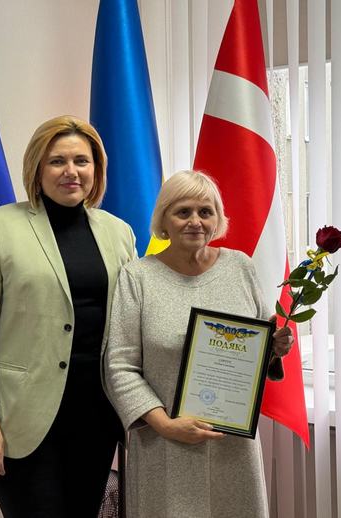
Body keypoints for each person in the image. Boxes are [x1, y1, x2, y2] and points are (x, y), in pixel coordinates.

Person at [0, 115, 136, 517]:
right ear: (37, 169)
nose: (71, 171)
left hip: (96, 418)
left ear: (96, 169)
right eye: (57, 161)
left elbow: (136, 319)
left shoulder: (119, 232)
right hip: (20, 421)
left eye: (82, 161)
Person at [103, 170, 293, 518]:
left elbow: (254, 346)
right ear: (164, 220)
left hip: (232, 446)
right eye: (183, 212)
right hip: (163, 442)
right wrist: (166, 425)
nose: (195, 221)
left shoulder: (240, 267)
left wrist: (273, 348)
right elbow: (120, 366)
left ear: (217, 219)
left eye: (205, 212)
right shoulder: (137, 277)